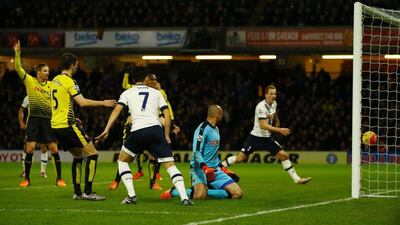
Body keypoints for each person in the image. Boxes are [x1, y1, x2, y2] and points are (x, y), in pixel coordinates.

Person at [96, 67, 193, 205]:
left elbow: (117, 110)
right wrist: (166, 135)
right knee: (170, 165)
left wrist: (106, 129)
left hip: (138, 132)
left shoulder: (127, 93)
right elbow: (166, 114)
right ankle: (184, 198)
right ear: (146, 78)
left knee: (122, 160)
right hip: (155, 130)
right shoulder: (157, 93)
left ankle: (131, 195)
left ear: (133, 79)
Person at [50, 52, 116, 200]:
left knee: (78, 155)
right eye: (77, 64)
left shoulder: (55, 80)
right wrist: (103, 103)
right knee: (93, 154)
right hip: (67, 125)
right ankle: (88, 192)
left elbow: (57, 105)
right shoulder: (70, 81)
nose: (78, 66)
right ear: (73, 65)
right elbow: (82, 102)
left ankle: (77, 193)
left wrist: (73, 116)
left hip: (56, 125)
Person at [221, 84, 311, 184]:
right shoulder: (260, 107)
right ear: (266, 95)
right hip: (255, 137)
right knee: (240, 158)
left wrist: (277, 120)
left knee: (283, 155)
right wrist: (279, 129)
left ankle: (297, 179)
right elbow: (263, 125)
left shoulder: (274, 103)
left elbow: (274, 113)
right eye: (271, 94)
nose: (273, 96)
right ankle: (220, 167)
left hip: (267, 137)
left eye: (275, 94)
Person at [108, 71, 179, 191]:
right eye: (151, 80)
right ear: (146, 80)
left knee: (153, 156)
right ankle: (117, 180)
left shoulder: (158, 93)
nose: (153, 82)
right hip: (133, 125)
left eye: (155, 80)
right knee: (124, 156)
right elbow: (125, 85)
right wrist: (126, 73)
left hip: (150, 125)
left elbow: (165, 111)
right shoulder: (134, 89)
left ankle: (152, 182)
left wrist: (171, 124)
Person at [161, 105, 242, 200]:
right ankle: (175, 191)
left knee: (237, 194)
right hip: (199, 168)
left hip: (214, 169)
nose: (222, 117)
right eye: (222, 115)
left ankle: (207, 188)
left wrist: (223, 168)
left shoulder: (216, 129)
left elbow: (214, 155)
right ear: (218, 115)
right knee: (199, 196)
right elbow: (196, 153)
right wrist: (205, 168)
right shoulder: (202, 129)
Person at [13, 41, 66, 188]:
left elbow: (59, 102)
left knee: (54, 149)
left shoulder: (52, 85)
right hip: (34, 120)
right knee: (30, 148)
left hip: (48, 121)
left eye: (48, 71)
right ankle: (27, 179)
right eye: (45, 71)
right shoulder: (30, 81)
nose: (47, 73)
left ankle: (59, 179)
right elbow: (18, 68)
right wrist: (17, 53)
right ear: (38, 72)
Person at [18, 96, 51, 178]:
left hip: (43, 126)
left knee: (43, 147)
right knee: (27, 148)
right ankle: (25, 171)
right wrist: (21, 122)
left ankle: (43, 171)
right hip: (31, 127)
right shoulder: (28, 97)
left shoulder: (45, 95)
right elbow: (21, 110)